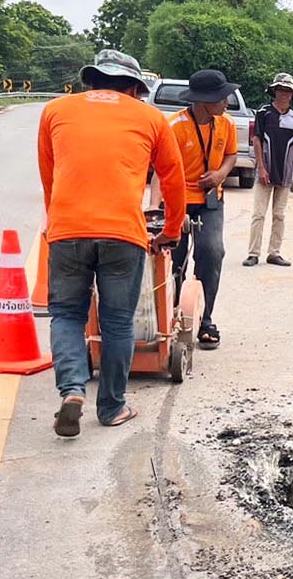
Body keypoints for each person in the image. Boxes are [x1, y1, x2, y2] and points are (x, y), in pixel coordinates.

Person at [37, 49, 186, 436]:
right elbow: (173, 180)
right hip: (123, 233)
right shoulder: (151, 118)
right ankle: (112, 407)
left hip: (67, 230)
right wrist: (171, 230)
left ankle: (72, 390)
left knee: (67, 314)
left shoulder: (55, 110)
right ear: (135, 88)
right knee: (117, 321)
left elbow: (49, 176)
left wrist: (55, 222)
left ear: (90, 82)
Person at [167, 68, 239, 349]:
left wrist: (220, 174)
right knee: (174, 259)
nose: (226, 102)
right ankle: (173, 316)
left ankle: (205, 318)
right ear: (204, 101)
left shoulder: (226, 124)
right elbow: (163, 170)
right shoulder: (175, 127)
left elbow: (231, 155)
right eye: (221, 97)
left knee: (212, 252)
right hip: (178, 201)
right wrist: (164, 207)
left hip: (211, 200)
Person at [245, 72, 293, 267]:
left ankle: (274, 252)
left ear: (292, 94)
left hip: (285, 172)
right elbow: (257, 139)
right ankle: (253, 253)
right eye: (281, 90)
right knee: (259, 213)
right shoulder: (264, 113)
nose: (284, 94)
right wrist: (261, 167)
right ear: (275, 91)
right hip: (266, 170)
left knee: (279, 214)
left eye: (288, 91)